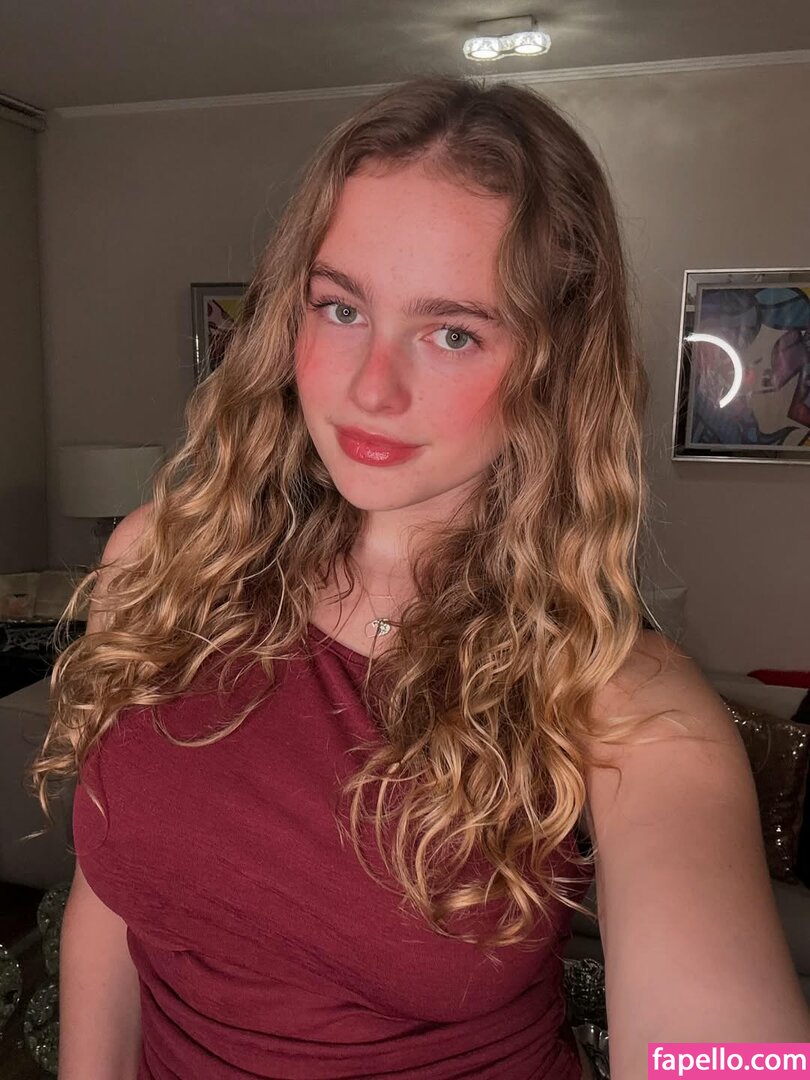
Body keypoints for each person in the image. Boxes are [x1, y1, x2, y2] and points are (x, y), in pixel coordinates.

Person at [31, 75, 808, 1080]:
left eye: (453, 332)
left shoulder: (622, 704)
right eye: (341, 307)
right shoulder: (159, 565)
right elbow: (113, 899)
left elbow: (722, 1050)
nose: (371, 387)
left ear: (554, 367)